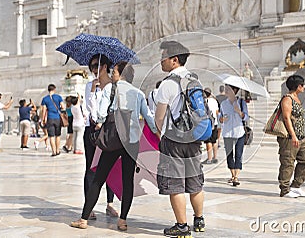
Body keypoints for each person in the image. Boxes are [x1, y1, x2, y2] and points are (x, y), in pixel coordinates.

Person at [71, 61, 158, 230]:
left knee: (99, 178)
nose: (113, 74)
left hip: (112, 140)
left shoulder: (110, 89)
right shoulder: (138, 93)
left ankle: (83, 219)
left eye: (115, 72)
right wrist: (156, 133)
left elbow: (100, 115)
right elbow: (148, 117)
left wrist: (99, 123)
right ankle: (123, 220)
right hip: (131, 142)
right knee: (128, 181)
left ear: (121, 74)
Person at [154, 41, 205, 237]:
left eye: (164, 57)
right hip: (193, 138)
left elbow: (159, 117)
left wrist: (161, 135)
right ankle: (199, 220)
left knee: (176, 184)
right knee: (194, 182)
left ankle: (182, 227)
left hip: (174, 139)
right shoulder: (194, 80)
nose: (161, 61)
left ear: (174, 60)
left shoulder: (168, 83)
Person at [82, 54, 118, 220]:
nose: (92, 69)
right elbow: (88, 110)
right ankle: (88, 206)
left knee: (110, 167)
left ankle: (110, 203)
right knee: (90, 168)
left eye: (95, 65)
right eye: (91, 66)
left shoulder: (115, 86)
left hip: (109, 130)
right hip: (92, 130)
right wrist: (92, 91)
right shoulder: (90, 85)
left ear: (104, 67)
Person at [277, 75, 305, 198]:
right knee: (288, 162)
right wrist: (293, 136)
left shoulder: (297, 98)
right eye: (302, 85)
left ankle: (296, 186)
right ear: (297, 86)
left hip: (301, 137)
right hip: (289, 138)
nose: (303, 87)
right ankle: (284, 189)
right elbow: (286, 118)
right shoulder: (287, 99)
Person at [219, 84, 249, 187]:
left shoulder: (241, 102)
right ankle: (233, 175)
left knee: (238, 155)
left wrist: (239, 112)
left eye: (229, 89)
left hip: (239, 132)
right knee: (229, 155)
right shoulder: (223, 104)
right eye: (226, 89)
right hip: (227, 133)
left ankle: (236, 177)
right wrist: (222, 119)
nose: (226, 91)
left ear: (235, 90)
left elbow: (246, 117)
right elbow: (220, 117)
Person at [41, 84, 65, 157]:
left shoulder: (45, 99)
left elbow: (44, 110)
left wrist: (43, 119)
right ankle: (57, 150)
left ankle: (53, 152)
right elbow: (63, 107)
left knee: (51, 136)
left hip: (50, 118)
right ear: (54, 89)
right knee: (57, 135)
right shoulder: (58, 97)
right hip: (57, 118)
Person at [202, 88, 219, 164]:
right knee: (214, 140)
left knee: (208, 141)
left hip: (208, 123)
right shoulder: (214, 101)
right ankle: (215, 157)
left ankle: (209, 158)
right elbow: (217, 111)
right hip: (214, 122)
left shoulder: (205, 101)